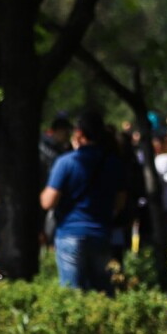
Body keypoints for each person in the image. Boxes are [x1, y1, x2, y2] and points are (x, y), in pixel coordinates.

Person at [39, 109, 124, 294]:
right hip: (101, 233)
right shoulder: (113, 163)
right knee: (103, 293)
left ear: (79, 133)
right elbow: (119, 202)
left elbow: (48, 202)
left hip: (70, 233)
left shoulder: (66, 162)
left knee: (73, 295)